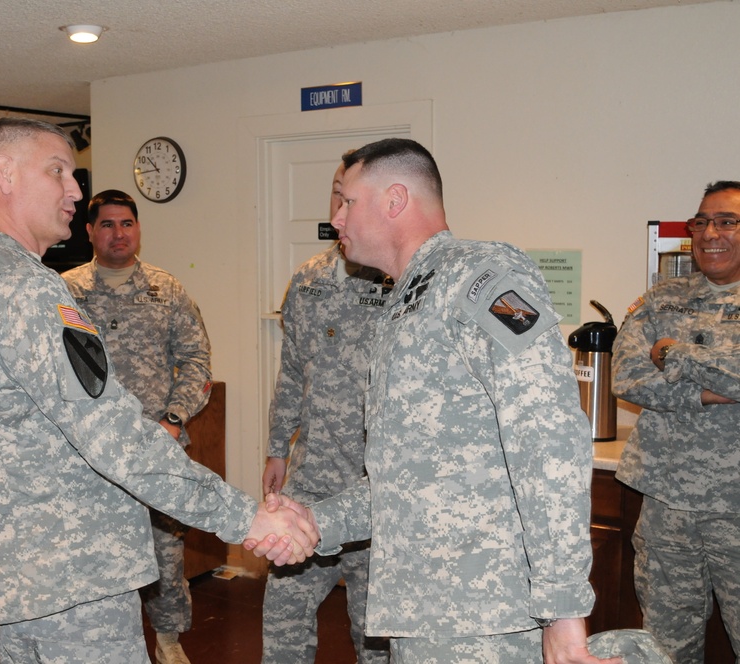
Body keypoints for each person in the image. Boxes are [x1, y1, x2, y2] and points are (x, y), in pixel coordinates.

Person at [0, 117, 317, 664]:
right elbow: (114, 436)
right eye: (57, 171)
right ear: (4, 174)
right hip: (72, 574)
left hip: (21, 572)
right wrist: (248, 518)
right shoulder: (27, 290)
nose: (74, 189)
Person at [249, 138, 620, 664]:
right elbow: (405, 482)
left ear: (395, 200)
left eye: (347, 202)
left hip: (483, 622)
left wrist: (564, 614)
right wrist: (316, 521)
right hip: (423, 617)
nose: (335, 218)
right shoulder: (405, 301)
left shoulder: (479, 277)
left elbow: (550, 442)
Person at [62, 189, 211, 664]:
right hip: (86, 453)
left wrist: (173, 419)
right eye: (107, 224)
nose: (118, 233)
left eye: (127, 223)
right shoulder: (63, 291)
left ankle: (169, 640)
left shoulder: (166, 290)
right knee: (92, 554)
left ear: (138, 229)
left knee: (165, 553)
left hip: (155, 446)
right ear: (89, 231)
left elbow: (197, 361)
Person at [260, 162, 390, 663]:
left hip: (372, 489)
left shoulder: (398, 283)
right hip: (308, 484)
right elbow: (291, 369)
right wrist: (277, 447)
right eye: (336, 195)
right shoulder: (308, 280)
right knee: (283, 618)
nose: (340, 210)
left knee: (375, 636)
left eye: (351, 198)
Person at [612, 180, 740, 662]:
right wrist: (712, 393)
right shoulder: (662, 299)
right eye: (702, 222)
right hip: (667, 502)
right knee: (666, 645)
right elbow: (627, 377)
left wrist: (673, 352)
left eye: (727, 221)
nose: (711, 233)